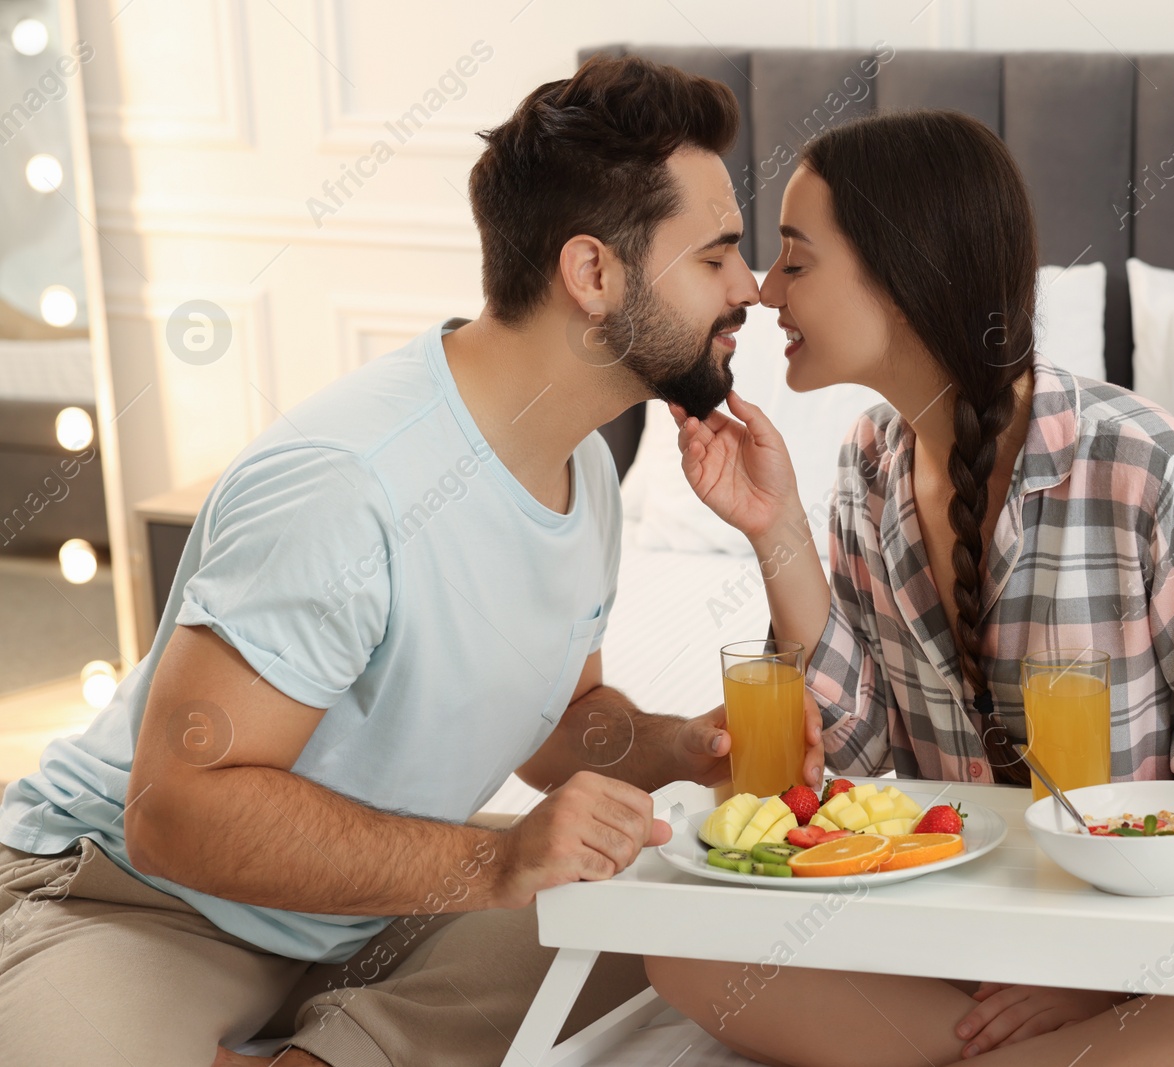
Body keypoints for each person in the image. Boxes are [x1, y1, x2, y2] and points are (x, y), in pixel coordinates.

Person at [0, 55, 822, 1067]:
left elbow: (556, 722)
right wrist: (498, 857)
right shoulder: (349, 480)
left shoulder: (584, 469)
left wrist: (679, 746)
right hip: (148, 904)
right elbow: (176, 810)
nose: (750, 288)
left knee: (665, 907)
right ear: (593, 274)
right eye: (716, 256)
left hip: (374, 908)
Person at [644, 110, 1174, 1066]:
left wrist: (1095, 970)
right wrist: (778, 530)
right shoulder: (868, 465)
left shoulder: (1149, 474)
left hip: (1146, 934)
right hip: (953, 920)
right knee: (680, 945)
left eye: (797, 260)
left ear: (906, 272)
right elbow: (852, 749)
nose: (762, 289)